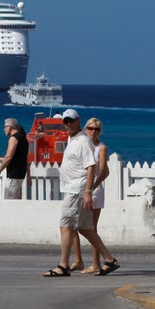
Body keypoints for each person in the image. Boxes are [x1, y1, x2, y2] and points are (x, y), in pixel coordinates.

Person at [42, 108, 119, 278]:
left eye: (71, 120)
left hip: (76, 190)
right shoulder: (73, 139)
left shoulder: (83, 142)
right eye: (65, 121)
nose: (68, 124)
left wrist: (88, 191)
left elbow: (91, 167)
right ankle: (109, 259)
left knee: (66, 226)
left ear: (78, 121)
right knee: (86, 228)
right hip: (75, 189)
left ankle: (63, 265)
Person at [68, 117, 109, 273]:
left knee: (90, 228)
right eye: (90, 128)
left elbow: (104, 171)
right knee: (72, 225)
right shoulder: (81, 145)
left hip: (93, 191)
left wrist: (91, 188)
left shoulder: (101, 148)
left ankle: (96, 263)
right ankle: (78, 260)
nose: (93, 131)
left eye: (96, 129)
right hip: (80, 189)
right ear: (85, 129)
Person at [0, 117, 29, 199]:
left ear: (10, 127)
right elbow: (15, 158)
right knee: (15, 200)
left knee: (9, 200)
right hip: (20, 174)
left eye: (5, 127)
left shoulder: (13, 138)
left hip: (13, 174)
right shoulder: (24, 139)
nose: (4, 129)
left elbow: (8, 157)